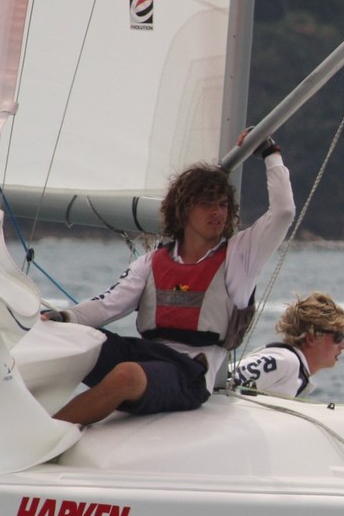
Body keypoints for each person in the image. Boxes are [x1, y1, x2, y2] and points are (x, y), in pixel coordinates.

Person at [46, 134, 295, 425]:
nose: (217, 212)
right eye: (206, 204)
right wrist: (62, 319)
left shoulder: (240, 258)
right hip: (149, 356)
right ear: (184, 209)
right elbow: (107, 306)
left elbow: (283, 212)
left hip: (191, 372)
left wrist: (270, 153)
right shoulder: (151, 263)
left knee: (126, 374)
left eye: (223, 205)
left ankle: (44, 435)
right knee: (69, 341)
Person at [230, 291, 344, 397]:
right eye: (338, 337)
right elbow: (227, 378)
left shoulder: (297, 371)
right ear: (311, 338)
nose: (343, 345)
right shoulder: (286, 361)